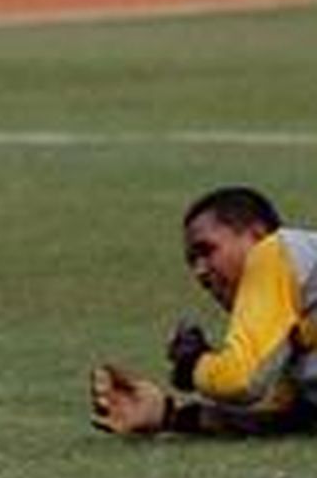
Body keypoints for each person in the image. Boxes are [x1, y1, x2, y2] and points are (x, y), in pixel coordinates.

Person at [91, 187, 317, 437]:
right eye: (193, 262)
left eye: (207, 250)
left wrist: (196, 364)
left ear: (258, 235)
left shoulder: (274, 251)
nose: (200, 271)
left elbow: (239, 380)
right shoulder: (295, 337)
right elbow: (286, 419)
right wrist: (169, 415)